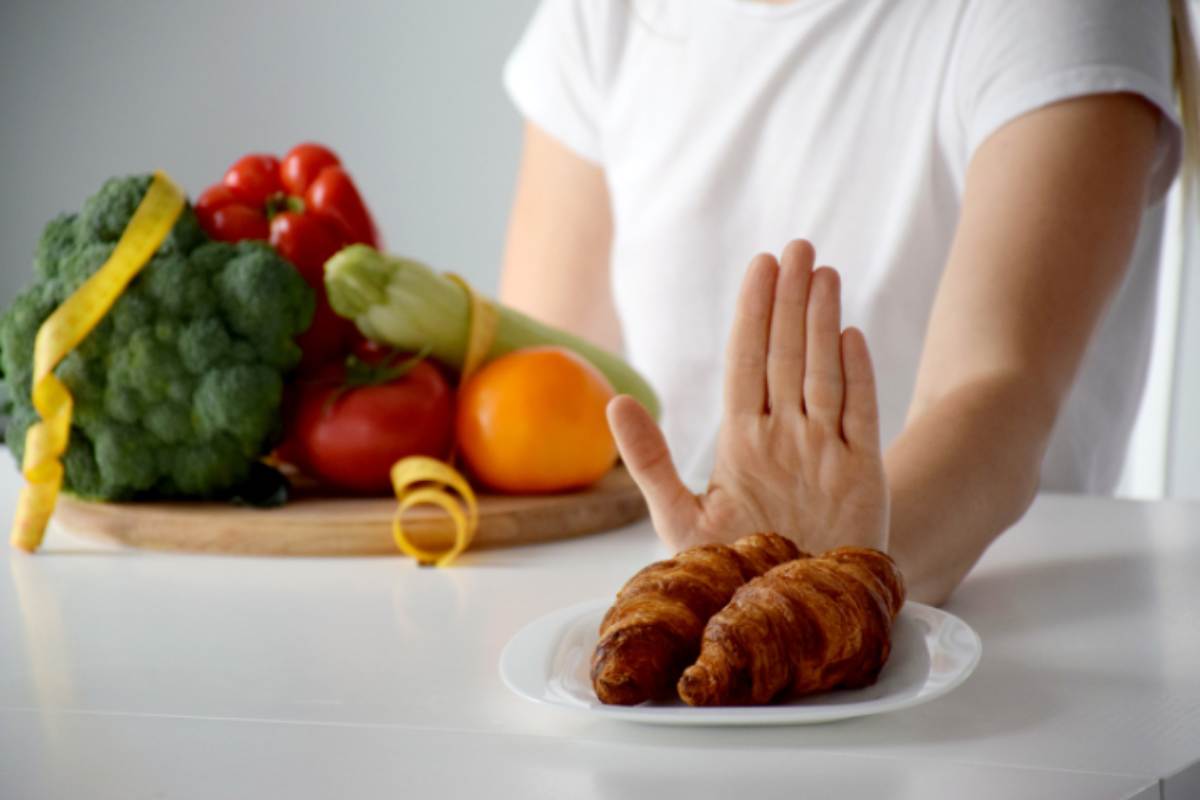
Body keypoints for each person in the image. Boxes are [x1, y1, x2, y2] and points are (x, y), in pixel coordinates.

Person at [498, 0, 1195, 604]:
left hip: (996, 671)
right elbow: (540, 402)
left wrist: (821, 574)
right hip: (693, 644)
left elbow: (997, 396)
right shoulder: (607, 14)